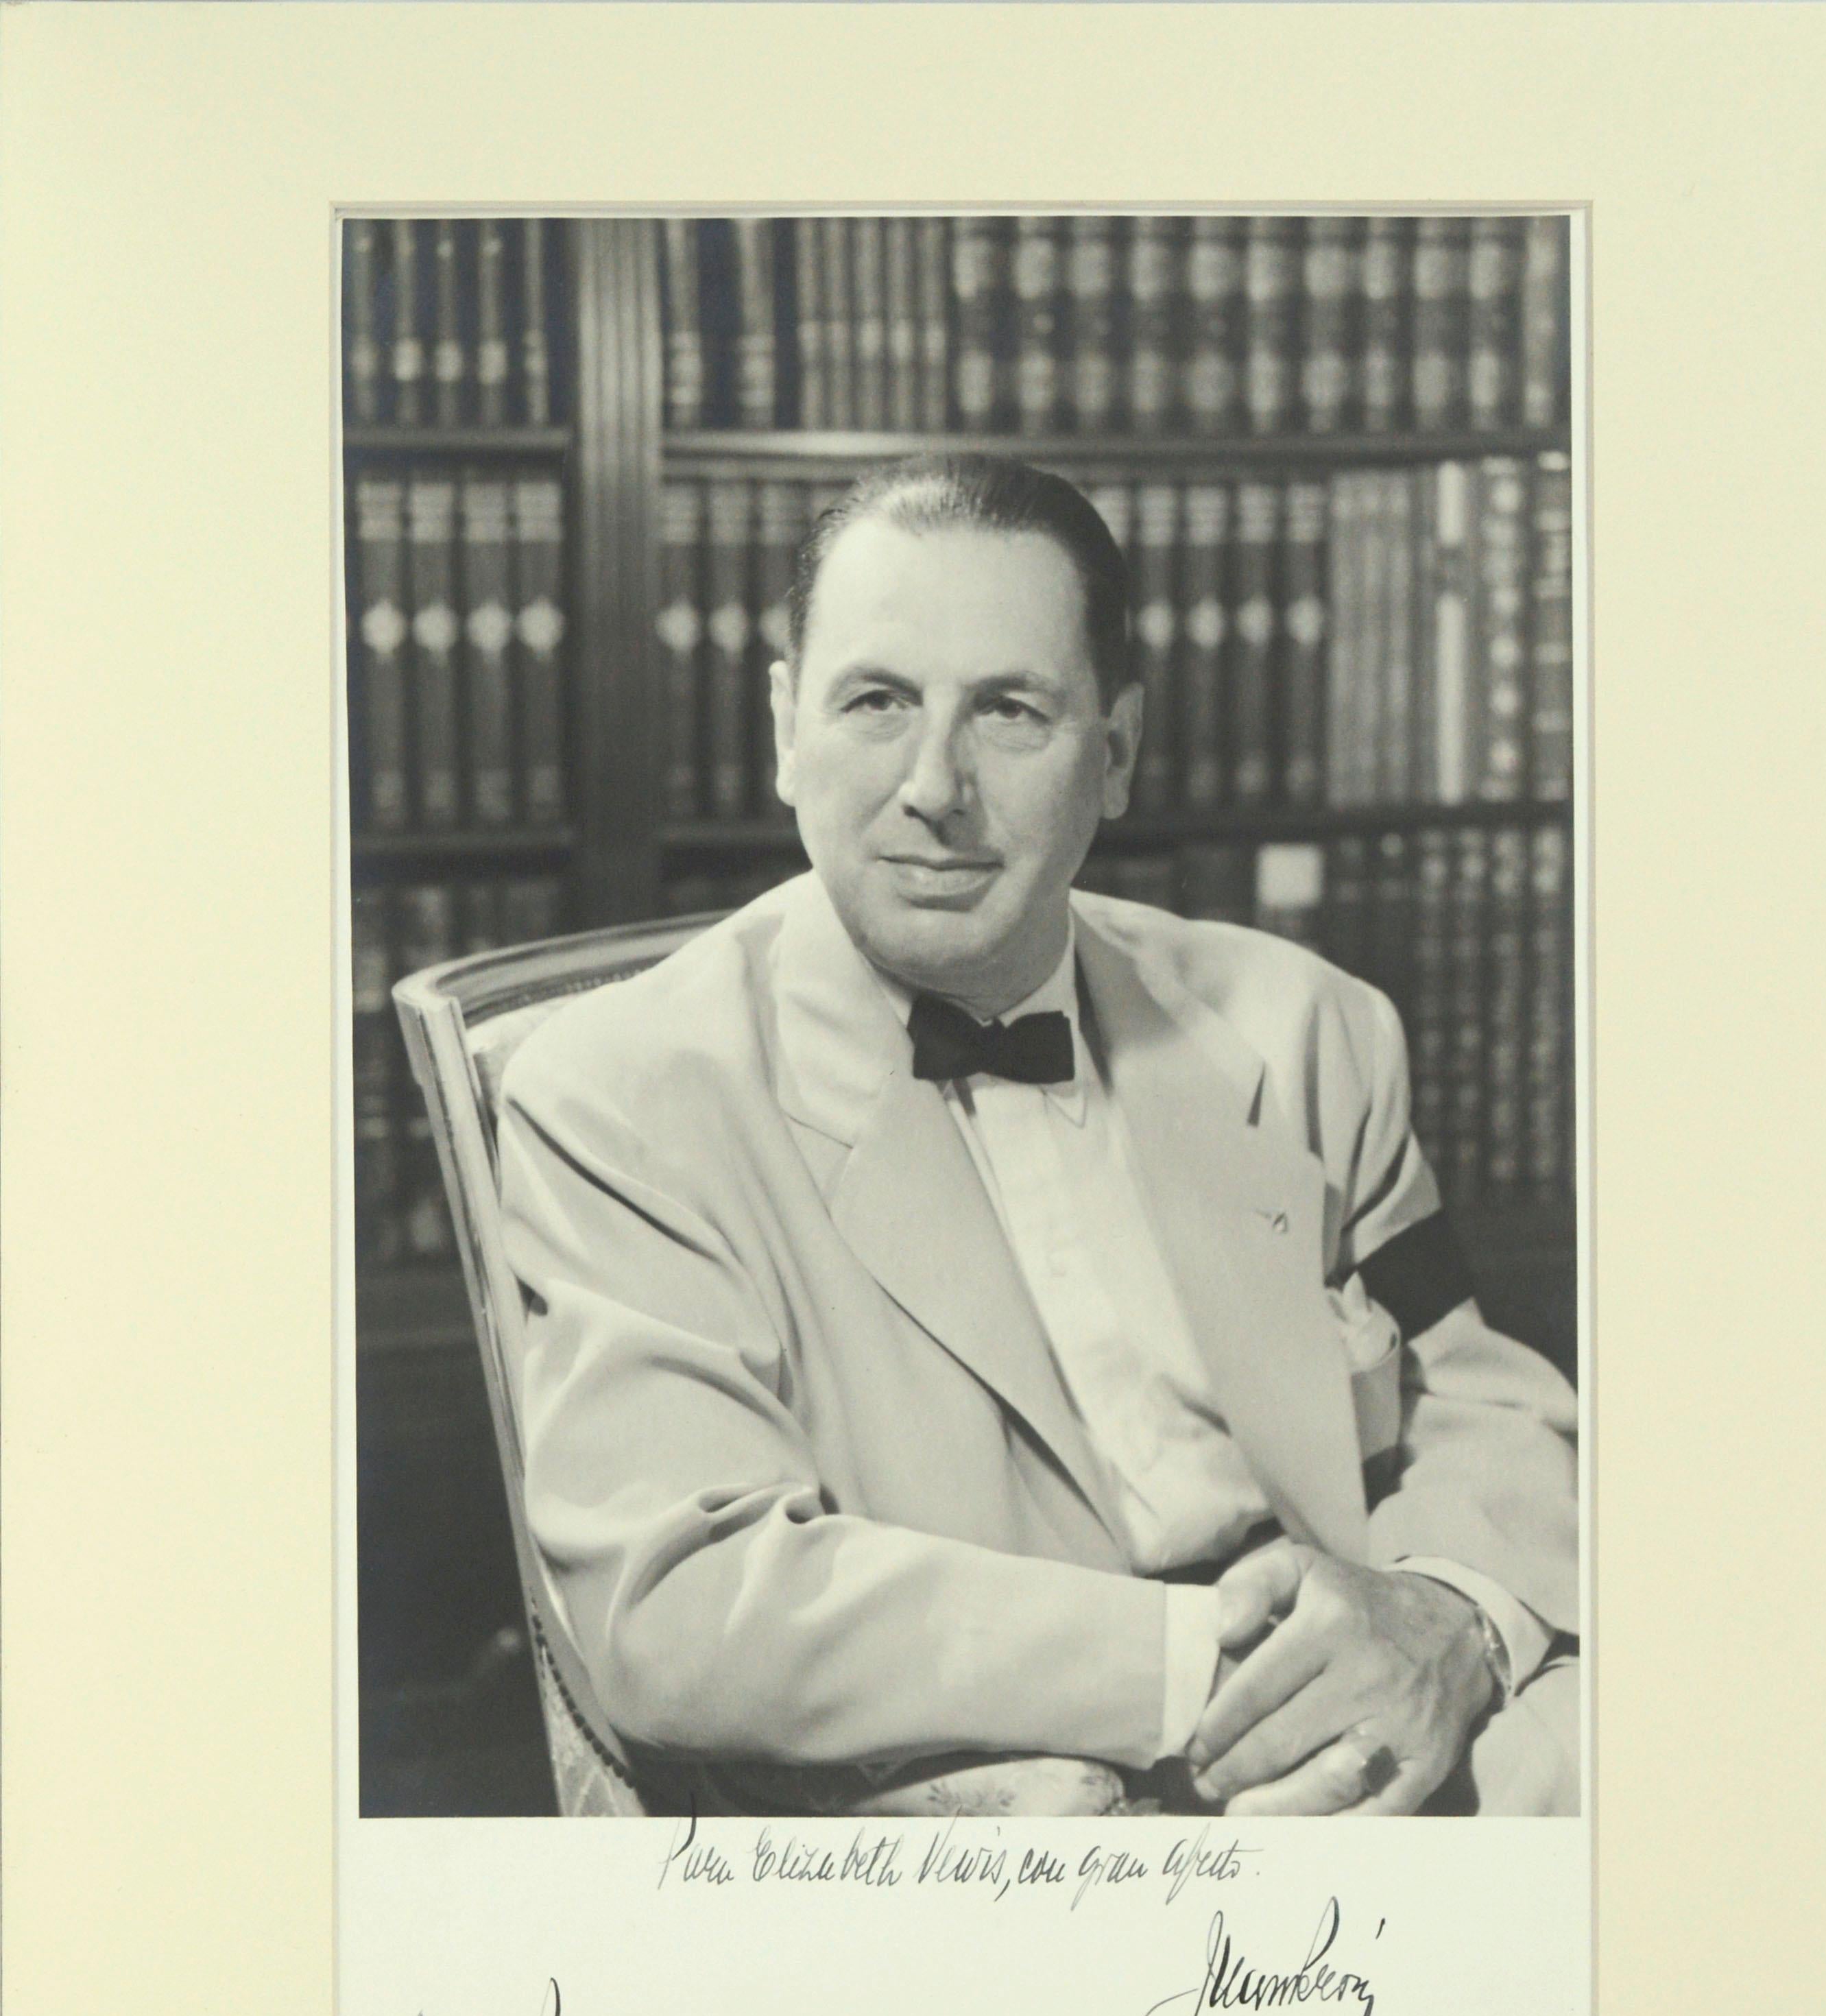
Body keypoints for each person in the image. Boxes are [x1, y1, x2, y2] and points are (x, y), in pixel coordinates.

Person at [498, 453, 1580, 1819]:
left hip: (1368, 1724)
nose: (934, 786)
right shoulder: (623, 1093)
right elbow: (685, 1604)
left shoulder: (1307, 1028)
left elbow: (1481, 1399)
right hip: (1003, 1774)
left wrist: (1451, 1615)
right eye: (876, 701)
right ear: (787, 728)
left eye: (1009, 711)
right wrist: (1216, 1666)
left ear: (1114, 753)